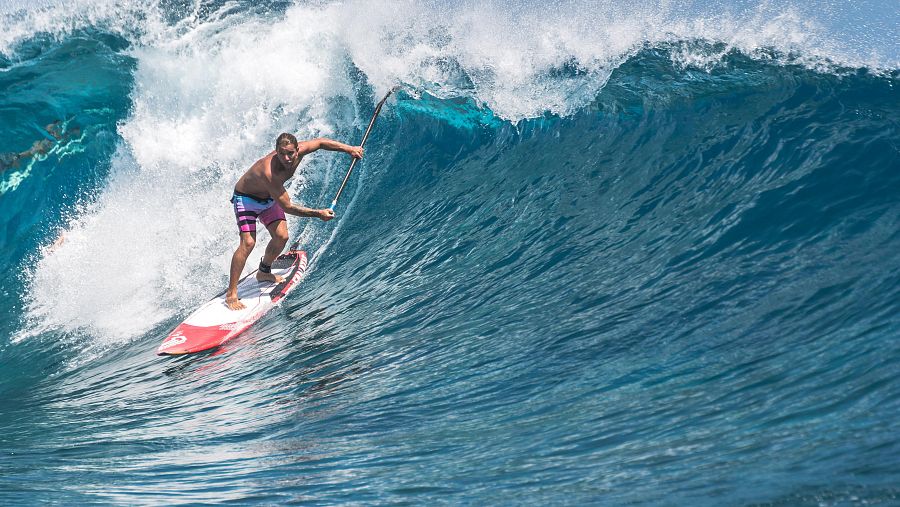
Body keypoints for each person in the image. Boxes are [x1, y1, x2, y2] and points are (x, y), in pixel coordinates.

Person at [225, 132, 363, 310]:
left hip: (268, 198)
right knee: (248, 242)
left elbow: (320, 142)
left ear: (298, 150)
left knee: (281, 236)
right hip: (246, 199)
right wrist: (318, 213)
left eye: (290, 153)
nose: (286, 158)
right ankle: (232, 293)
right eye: (282, 153)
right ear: (276, 151)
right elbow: (288, 207)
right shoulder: (269, 173)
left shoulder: (300, 150)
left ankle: (264, 271)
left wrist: (350, 149)